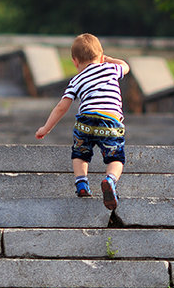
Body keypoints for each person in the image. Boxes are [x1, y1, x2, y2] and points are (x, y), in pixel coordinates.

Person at [35, 33, 131, 210]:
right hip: (111, 122)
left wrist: (46, 128)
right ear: (101, 58)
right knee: (116, 158)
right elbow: (125, 66)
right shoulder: (111, 69)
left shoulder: (76, 80)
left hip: (85, 122)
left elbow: (61, 107)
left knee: (80, 153)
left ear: (75, 61)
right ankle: (110, 179)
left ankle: (81, 183)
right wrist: (108, 59)